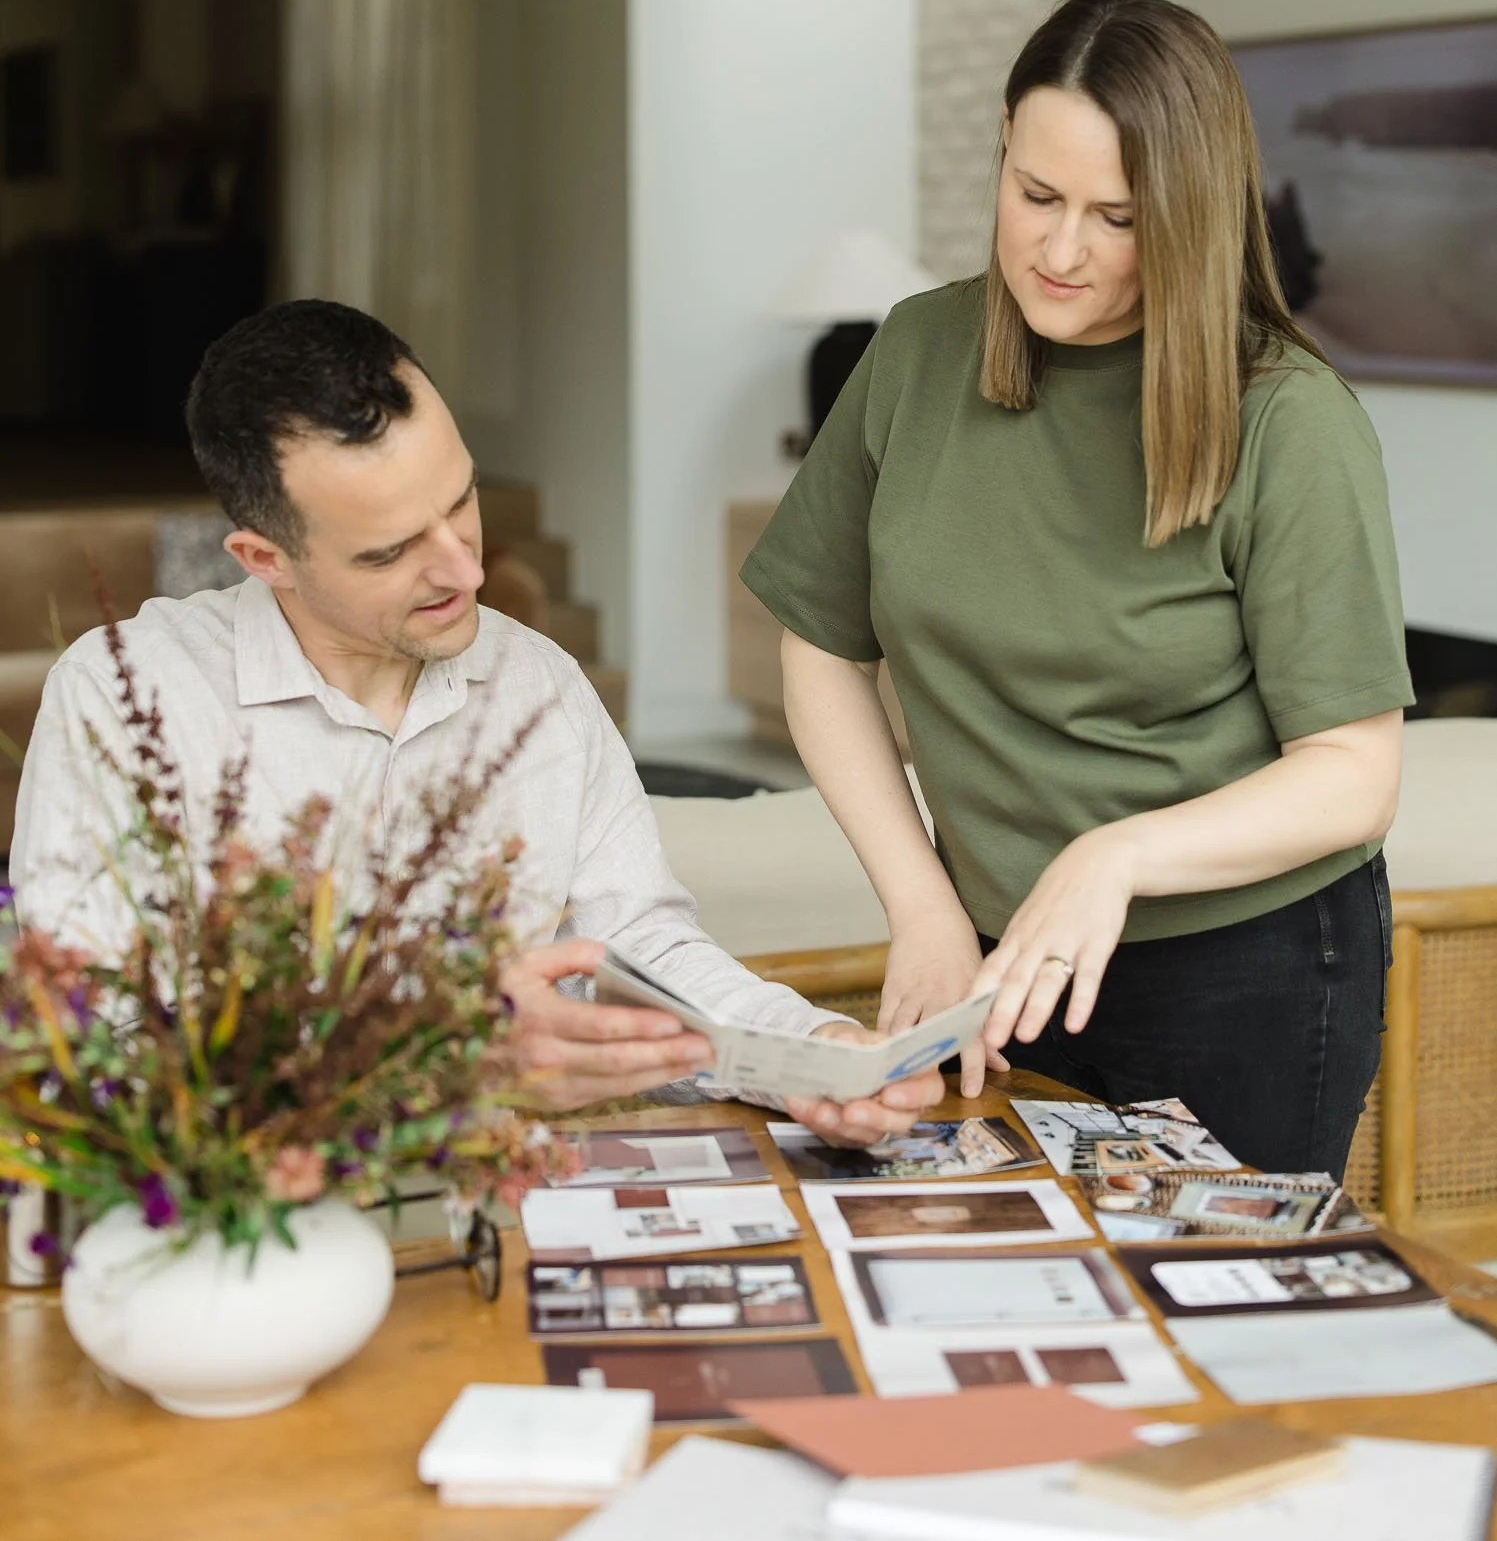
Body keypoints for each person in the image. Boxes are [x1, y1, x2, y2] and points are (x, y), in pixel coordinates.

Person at [742, 0, 1411, 1177]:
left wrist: (1115, 855)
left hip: (1245, 966)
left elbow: (1353, 777)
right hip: (997, 953)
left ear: (1193, 215)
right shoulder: (913, 355)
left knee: (1206, 1326)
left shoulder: (1289, 422)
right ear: (1001, 151)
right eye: (1035, 194)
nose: (1060, 251)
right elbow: (820, 645)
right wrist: (926, 905)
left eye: (1117, 217)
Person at [11, 300, 942, 1146]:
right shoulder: (124, 700)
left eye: (461, 500)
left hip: (492, 1237)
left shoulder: (539, 683)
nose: (466, 571)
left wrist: (807, 1054)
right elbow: (84, 1048)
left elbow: (645, 955)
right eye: (392, 550)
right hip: (249, 1237)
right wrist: (449, 1063)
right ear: (266, 558)